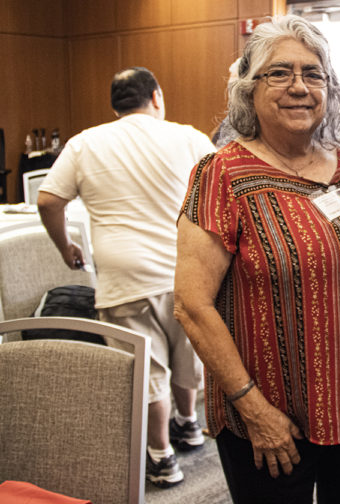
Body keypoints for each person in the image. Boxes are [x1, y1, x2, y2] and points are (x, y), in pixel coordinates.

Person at [173, 15, 340, 504]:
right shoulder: (222, 173)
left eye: (313, 74)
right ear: (248, 89)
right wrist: (252, 407)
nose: (299, 87)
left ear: (329, 90)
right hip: (270, 418)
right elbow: (191, 304)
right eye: (279, 73)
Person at [37, 67, 216, 488]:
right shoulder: (188, 136)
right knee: (186, 351)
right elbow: (219, 189)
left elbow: (48, 200)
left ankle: (161, 457)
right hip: (185, 269)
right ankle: (189, 423)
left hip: (125, 277)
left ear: (114, 105)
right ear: (156, 96)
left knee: (147, 368)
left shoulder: (85, 143)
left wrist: (66, 248)